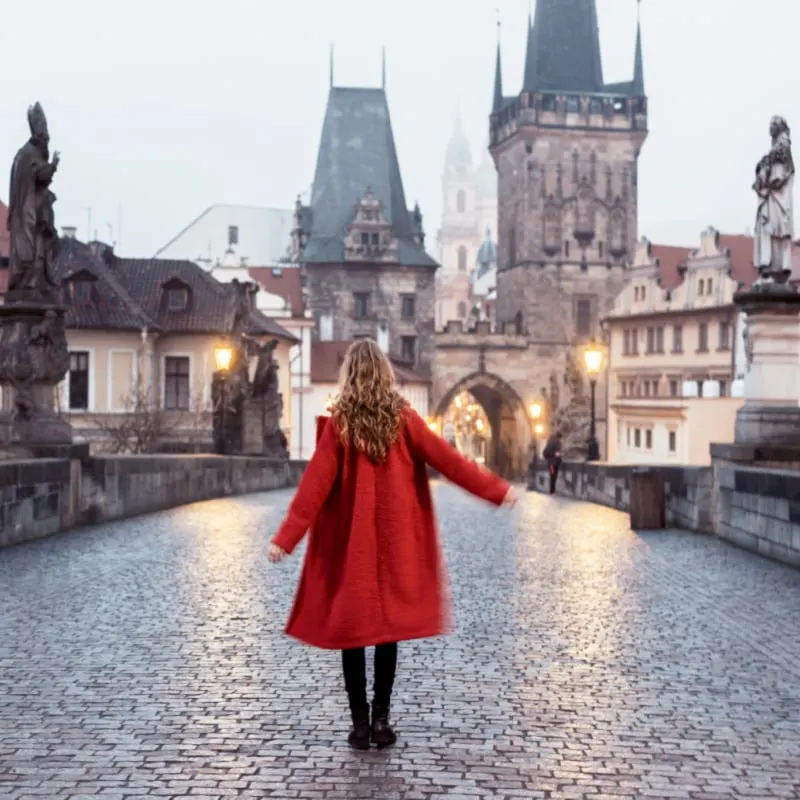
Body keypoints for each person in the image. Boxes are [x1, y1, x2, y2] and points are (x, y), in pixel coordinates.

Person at [268, 339, 516, 750]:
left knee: (353, 635)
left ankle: (359, 724)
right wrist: (495, 489)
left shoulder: (340, 425)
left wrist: (286, 538)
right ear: (385, 375)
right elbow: (449, 460)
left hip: (354, 549)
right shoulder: (404, 420)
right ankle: (382, 719)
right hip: (395, 546)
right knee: (386, 633)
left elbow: (314, 487)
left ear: (350, 375)